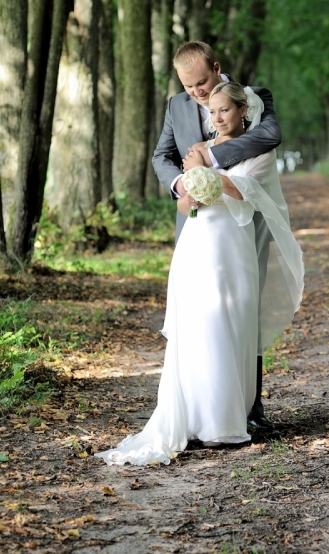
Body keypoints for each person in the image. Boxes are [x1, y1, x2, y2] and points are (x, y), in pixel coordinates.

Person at [96, 83, 303, 466]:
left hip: (232, 246)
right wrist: (187, 189)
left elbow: (243, 191)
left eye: (225, 109)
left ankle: (227, 419)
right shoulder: (198, 147)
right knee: (197, 325)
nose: (217, 116)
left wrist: (205, 168)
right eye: (213, 110)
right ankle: (194, 417)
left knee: (230, 323)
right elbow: (185, 203)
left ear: (243, 111)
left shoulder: (256, 149)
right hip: (197, 243)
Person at [152, 41, 281, 430]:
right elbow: (163, 155)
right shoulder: (176, 105)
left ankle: (249, 408)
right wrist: (182, 185)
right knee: (199, 315)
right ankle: (200, 407)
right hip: (196, 221)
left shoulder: (252, 97)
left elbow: (269, 135)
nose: (197, 93)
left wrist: (211, 160)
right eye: (189, 87)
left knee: (244, 309)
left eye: (202, 82)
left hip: (243, 223)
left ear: (216, 68)